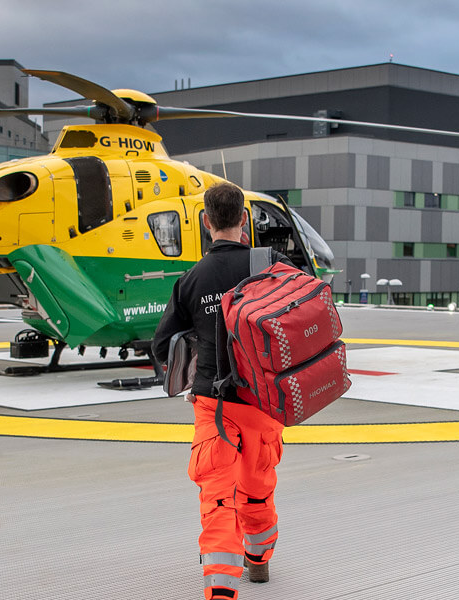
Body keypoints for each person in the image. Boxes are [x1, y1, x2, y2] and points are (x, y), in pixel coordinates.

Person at [152, 182, 292, 600]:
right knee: (258, 482)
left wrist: (193, 376)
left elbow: (163, 346)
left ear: (206, 222)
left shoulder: (192, 279)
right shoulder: (273, 266)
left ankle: (220, 588)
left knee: (218, 497)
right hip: (265, 402)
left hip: (215, 405)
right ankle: (260, 559)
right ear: (245, 220)